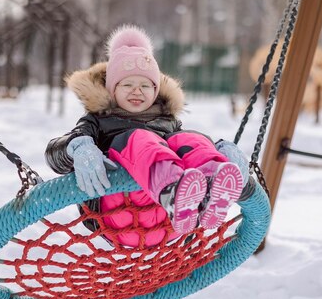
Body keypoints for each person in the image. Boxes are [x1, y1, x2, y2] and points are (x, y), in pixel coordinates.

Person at [45, 25, 249, 247]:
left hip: (174, 224)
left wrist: (220, 149)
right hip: (117, 215)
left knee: (188, 139)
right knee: (138, 138)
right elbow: (54, 156)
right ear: (112, 89)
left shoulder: (168, 122)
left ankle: (212, 185)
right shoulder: (97, 120)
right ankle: (173, 189)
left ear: (155, 91)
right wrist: (78, 148)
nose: (137, 91)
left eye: (145, 85)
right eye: (127, 84)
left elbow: (187, 146)